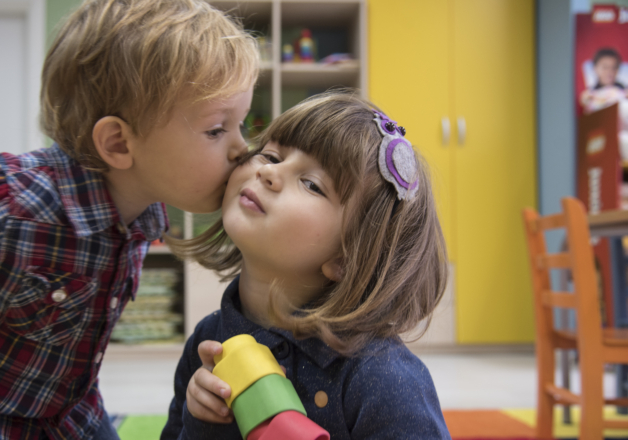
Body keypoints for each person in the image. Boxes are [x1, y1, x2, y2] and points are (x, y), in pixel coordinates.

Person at [0, 0, 258, 439]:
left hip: (73, 410)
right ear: (119, 143)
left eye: (241, 125)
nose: (242, 149)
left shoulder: (145, 214)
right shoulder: (18, 208)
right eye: (217, 129)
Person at [161, 90, 451, 439]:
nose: (269, 172)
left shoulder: (385, 379)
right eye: (270, 154)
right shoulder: (207, 343)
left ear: (346, 258)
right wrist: (200, 423)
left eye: (312, 184)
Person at [580, 47, 627, 113]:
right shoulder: (592, 92)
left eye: (614, 67)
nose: (610, 71)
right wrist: (585, 100)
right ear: (595, 68)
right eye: (605, 67)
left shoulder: (622, 88)